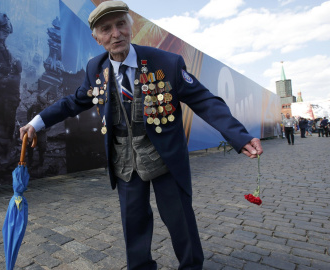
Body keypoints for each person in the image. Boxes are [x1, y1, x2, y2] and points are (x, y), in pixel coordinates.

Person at [19, 1, 263, 269]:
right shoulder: (95, 69)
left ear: (130, 26)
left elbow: (204, 100)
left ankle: (191, 265)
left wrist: (238, 136)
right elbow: (74, 101)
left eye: (121, 24)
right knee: (133, 222)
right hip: (125, 161)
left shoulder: (166, 63)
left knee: (179, 218)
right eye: (106, 29)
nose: (116, 34)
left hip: (164, 157)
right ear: (96, 37)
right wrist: (37, 122)